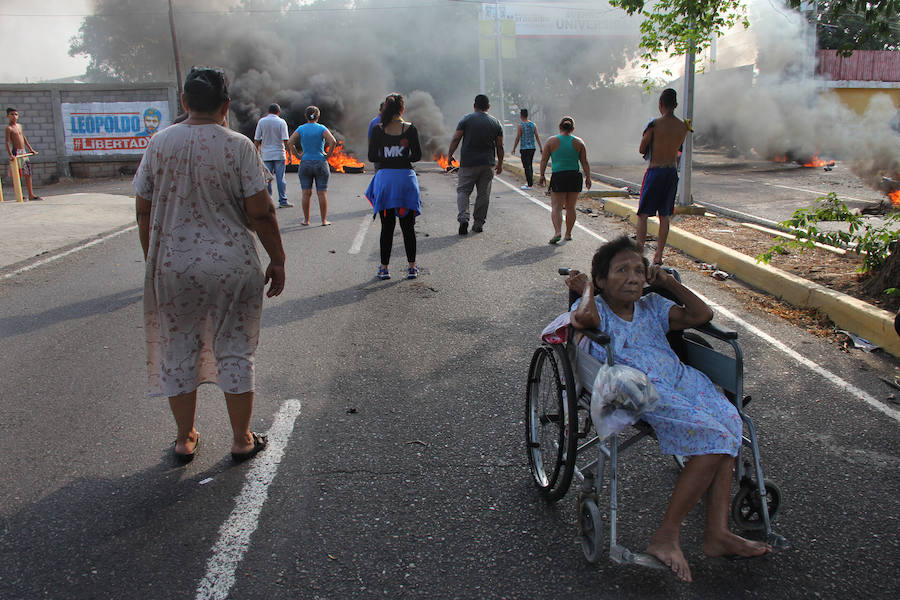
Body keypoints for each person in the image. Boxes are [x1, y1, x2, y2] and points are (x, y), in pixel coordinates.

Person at [565, 236, 772, 582]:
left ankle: (717, 533)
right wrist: (586, 287)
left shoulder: (654, 307)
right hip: (638, 387)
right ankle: (665, 536)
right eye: (621, 271)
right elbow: (582, 317)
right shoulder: (597, 311)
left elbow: (702, 314)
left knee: (731, 426)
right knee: (714, 439)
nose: (633, 277)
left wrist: (668, 282)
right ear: (601, 279)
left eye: (638, 270)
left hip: (680, 379)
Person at [133, 67, 287, 465]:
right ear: (226, 106)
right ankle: (241, 439)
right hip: (233, 267)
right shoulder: (238, 147)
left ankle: (185, 440)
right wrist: (278, 259)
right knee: (235, 350)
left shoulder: (159, 144)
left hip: (173, 268)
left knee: (180, 348)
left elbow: (143, 210)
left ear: (184, 102)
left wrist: (155, 258)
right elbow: (261, 213)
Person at [366, 93, 422, 281]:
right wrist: (402, 156)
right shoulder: (410, 128)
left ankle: (384, 268)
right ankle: (412, 267)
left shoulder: (377, 129)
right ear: (402, 109)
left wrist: (388, 156)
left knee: (387, 227)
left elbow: (372, 157)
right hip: (406, 180)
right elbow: (417, 156)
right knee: (408, 227)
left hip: (386, 181)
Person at [637, 88, 689, 265]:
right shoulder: (683, 126)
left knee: (643, 214)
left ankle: (639, 251)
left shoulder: (654, 124)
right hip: (671, 172)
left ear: (660, 104)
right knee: (665, 215)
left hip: (655, 171)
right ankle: (659, 255)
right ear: (675, 105)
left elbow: (642, 149)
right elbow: (678, 147)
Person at [447, 94, 503, 235]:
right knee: (483, 194)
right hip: (487, 164)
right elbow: (500, 146)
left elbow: (456, 139)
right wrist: (500, 163)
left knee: (463, 191)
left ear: (474, 106)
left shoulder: (466, 119)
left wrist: (450, 155)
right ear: (488, 107)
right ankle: (478, 223)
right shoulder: (496, 123)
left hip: (468, 164)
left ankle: (463, 218)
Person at [538, 116, 591, 244]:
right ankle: (568, 234)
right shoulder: (579, 142)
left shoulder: (551, 141)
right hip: (574, 176)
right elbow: (584, 162)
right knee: (571, 207)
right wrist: (588, 177)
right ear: (573, 128)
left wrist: (542, 175)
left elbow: (544, 159)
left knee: (556, 206)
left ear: (559, 127)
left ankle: (557, 232)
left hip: (559, 176)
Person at [289, 106, 337, 226]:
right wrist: (327, 155)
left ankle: (306, 220)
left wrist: (298, 155)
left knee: (306, 193)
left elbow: (290, 142)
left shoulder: (301, 129)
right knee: (322, 193)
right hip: (320, 162)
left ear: (306, 116)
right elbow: (333, 141)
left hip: (305, 162)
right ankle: (324, 220)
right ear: (318, 116)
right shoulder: (321, 128)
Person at [254, 103, 293, 208]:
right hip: (279, 154)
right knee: (281, 178)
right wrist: (290, 154)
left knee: (267, 178)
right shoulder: (281, 122)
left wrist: (255, 153)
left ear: (268, 111)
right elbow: (286, 140)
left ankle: (267, 201)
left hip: (266, 155)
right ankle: (283, 201)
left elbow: (257, 139)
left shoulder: (261, 121)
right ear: (278, 112)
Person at [5, 107, 41, 201]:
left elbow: (24, 138)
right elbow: (7, 142)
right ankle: (20, 194)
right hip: (16, 153)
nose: (14, 116)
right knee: (17, 175)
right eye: (12, 114)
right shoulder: (9, 128)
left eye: (16, 114)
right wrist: (11, 155)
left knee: (28, 173)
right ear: (7, 116)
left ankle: (31, 194)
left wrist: (31, 149)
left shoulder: (19, 126)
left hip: (24, 153)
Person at [511, 108, 542, 189]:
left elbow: (518, 138)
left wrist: (514, 148)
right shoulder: (533, 125)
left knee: (526, 166)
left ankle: (529, 184)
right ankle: (529, 182)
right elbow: (537, 137)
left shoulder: (520, 126)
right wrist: (541, 148)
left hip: (524, 148)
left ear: (521, 115)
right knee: (530, 165)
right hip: (532, 148)